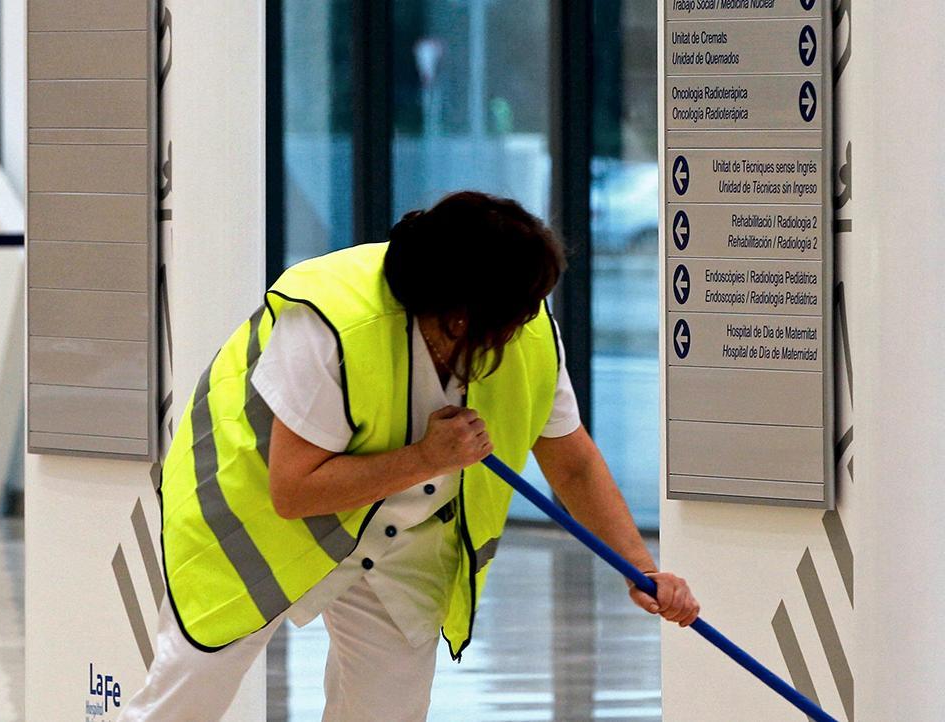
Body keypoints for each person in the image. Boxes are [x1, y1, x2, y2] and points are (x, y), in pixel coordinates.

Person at [120, 191, 699, 722]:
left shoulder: (528, 335)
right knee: (184, 702)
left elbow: (571, 462)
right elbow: (293, 491)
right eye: (520, 312)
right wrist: (428, 458)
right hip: (257, 518)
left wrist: (640, 567)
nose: (531, 323)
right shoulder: (329, 323)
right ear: (461, 318)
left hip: (403, 539)